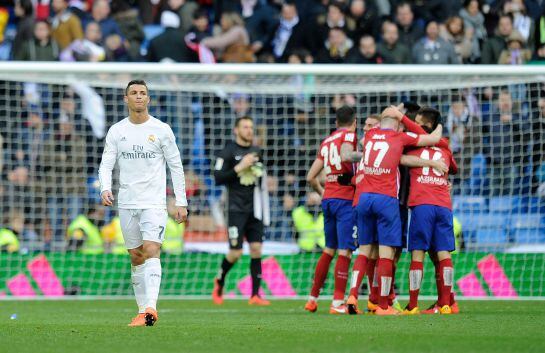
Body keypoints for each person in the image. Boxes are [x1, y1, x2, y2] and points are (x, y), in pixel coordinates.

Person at [98, 79, 188, 327]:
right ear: (126, 99)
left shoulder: (161, 129)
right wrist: (105, 187)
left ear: (148, 99)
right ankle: (141, 312)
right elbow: (106, 163)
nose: (139, 96)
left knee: (151, 249)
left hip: (154, 203)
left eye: (143, 93)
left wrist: (181, 201)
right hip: (127, 202)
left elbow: (176, 166)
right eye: (134, 93)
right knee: (136, 256)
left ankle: (151, 308)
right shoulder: (117, 131)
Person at [345, 106, 444, 316]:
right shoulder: (400, 138)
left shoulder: (370, 135)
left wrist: (391, 114)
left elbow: (398, 157)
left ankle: (352, 295)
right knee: (386, 253)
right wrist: (440, 124)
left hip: (364, 199)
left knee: (363, 250)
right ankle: (383, 305)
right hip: (386, 199)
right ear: (398, 125)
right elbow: (433, 139)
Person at [304, 105, 362, 314]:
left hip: (329, 198)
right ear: (354, 122)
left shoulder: (327, 141)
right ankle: (337, 303)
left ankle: (312, 298)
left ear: (336, 122)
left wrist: (322, 191)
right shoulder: (350, 136)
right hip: (345, 198)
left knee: (329, 249)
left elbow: (310, 176)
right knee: (345, 250)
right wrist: (367, 157)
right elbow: (347, 156)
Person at [211, 116, 270, 306]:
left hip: (256, 208)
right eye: (245, 127)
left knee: (256, 249)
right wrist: (240, 167)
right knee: (235, 252)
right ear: (236, 130)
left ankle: (255, 295)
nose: (249, 130)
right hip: (235, 209)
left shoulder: (257, 151)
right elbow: (218, 177)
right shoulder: (227, 152)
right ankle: (219, 280)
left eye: (251, 127)